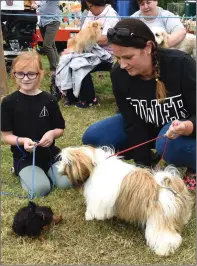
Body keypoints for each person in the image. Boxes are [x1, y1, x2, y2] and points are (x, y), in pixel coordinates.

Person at [82, 18, 196, 189]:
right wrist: (144, 166)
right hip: (147, 128)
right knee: (94, 138)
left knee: (167, 143)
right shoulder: (119, 74)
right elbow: (132, 122)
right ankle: (153, 160)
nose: (122, 65)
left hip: (181, 132)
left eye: (128, 57)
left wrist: (188, 126)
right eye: (118, 57)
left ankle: (192, 166)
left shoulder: (181, 64)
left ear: (148, 48)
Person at [1, 51, 71, 197]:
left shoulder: (49, 100)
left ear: (40, 73)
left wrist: (52, 134)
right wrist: (22, 141)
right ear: (14, 74)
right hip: (25, 159)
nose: (25, 78)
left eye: (31, 74)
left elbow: (60, 128)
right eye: (20, 74)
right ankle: (21, 171)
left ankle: (46, 171)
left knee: (66, 183)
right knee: (41, 189)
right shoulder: (9, 103)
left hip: (50, 155)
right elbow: (6, 136)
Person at [63, 0, 120, 108]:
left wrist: (85, 39)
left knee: (80, 64)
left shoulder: (112, 16)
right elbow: (83, 33)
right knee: (67, 59)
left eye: (90, 6)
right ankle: (71, 96)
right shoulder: (91, 13)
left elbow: (105, 39)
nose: (89, 9)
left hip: (107, 55)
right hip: (89, 50)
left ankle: (90, 99)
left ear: (98, 3)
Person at [33, 0, 62, 100]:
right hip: (42, 22)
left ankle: (54, 69)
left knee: (47, 45)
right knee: (52, 45)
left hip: (53, 21)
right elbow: (38, 4)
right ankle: (59, 66)